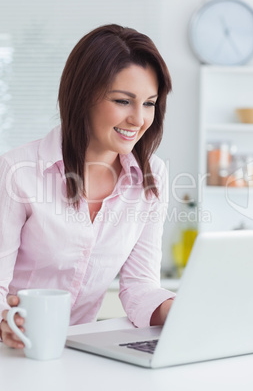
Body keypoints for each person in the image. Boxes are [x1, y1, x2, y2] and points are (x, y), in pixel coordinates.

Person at [0, 24, 175, 349]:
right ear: (83, 96)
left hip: (80, 354)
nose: (139, 119)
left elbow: (139, 286)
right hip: (14, 349)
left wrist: (177, 310)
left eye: (149, 103)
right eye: (124, 101)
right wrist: (5, 323)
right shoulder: (17, 172)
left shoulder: (153, 177)